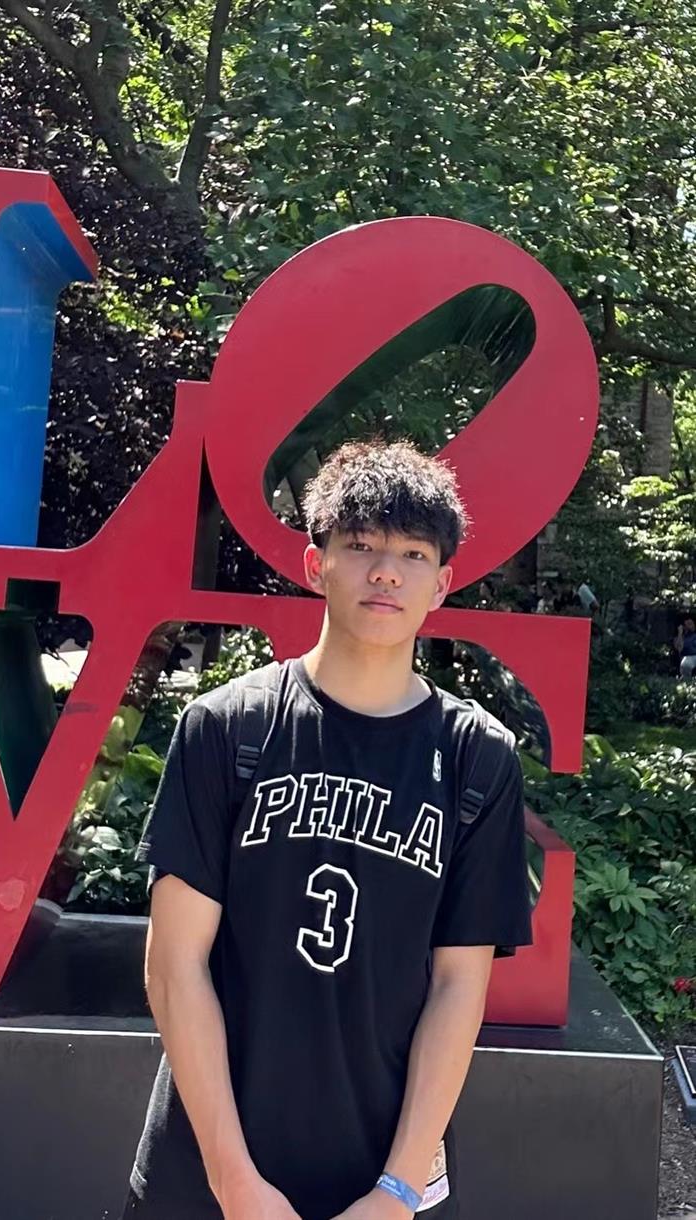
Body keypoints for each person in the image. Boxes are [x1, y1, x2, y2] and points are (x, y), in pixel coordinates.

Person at [122, 440, 533, 1220]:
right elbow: (175, 967)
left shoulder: (476, 758)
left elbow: (459, 987)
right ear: (317, 565)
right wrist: (233, 1181)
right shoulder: (228, 729)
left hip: (381, 1176)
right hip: (206, 1172)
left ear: (442, 584)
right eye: (362, 545)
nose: (387, 572)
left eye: (414, 554)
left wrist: (399, 1189)